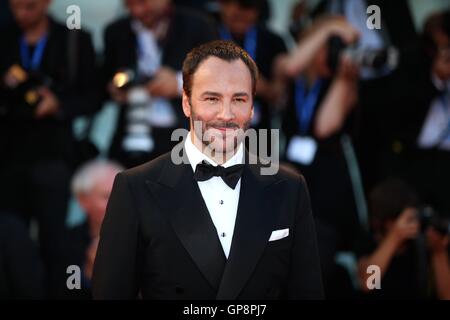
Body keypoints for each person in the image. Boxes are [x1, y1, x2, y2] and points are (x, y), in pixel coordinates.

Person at [93, 40, 323, 299]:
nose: (226, 114)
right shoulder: (134, 188)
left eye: (238, 99)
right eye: (212, 98)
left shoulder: (289, 188)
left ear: (251, 108)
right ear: (186, 103)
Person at [0, 0, 99, 297]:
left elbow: (94, 95)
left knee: (56, 242)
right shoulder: (3, 37)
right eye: (15, 7)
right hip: (7, 158)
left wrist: (59, 105)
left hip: (54, 158)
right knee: (9, 238)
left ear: (46, 3)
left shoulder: (73, 39)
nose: (22, 14)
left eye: (29, 7)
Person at [103, 0, 217, 168]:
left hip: (183, 134)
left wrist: (179, 83)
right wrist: (116, 89)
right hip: (132, 135)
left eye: (143, 4)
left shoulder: (197, 25)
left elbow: (217, 75)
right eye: (130, 5)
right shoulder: (117, 31)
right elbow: (102, 80)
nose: (137, 12)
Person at [356, 178, 450, 299]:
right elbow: (369, 283)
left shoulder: (420, 244)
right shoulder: (369, 242)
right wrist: (394, 237)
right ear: (384, 221)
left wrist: (439, 252)